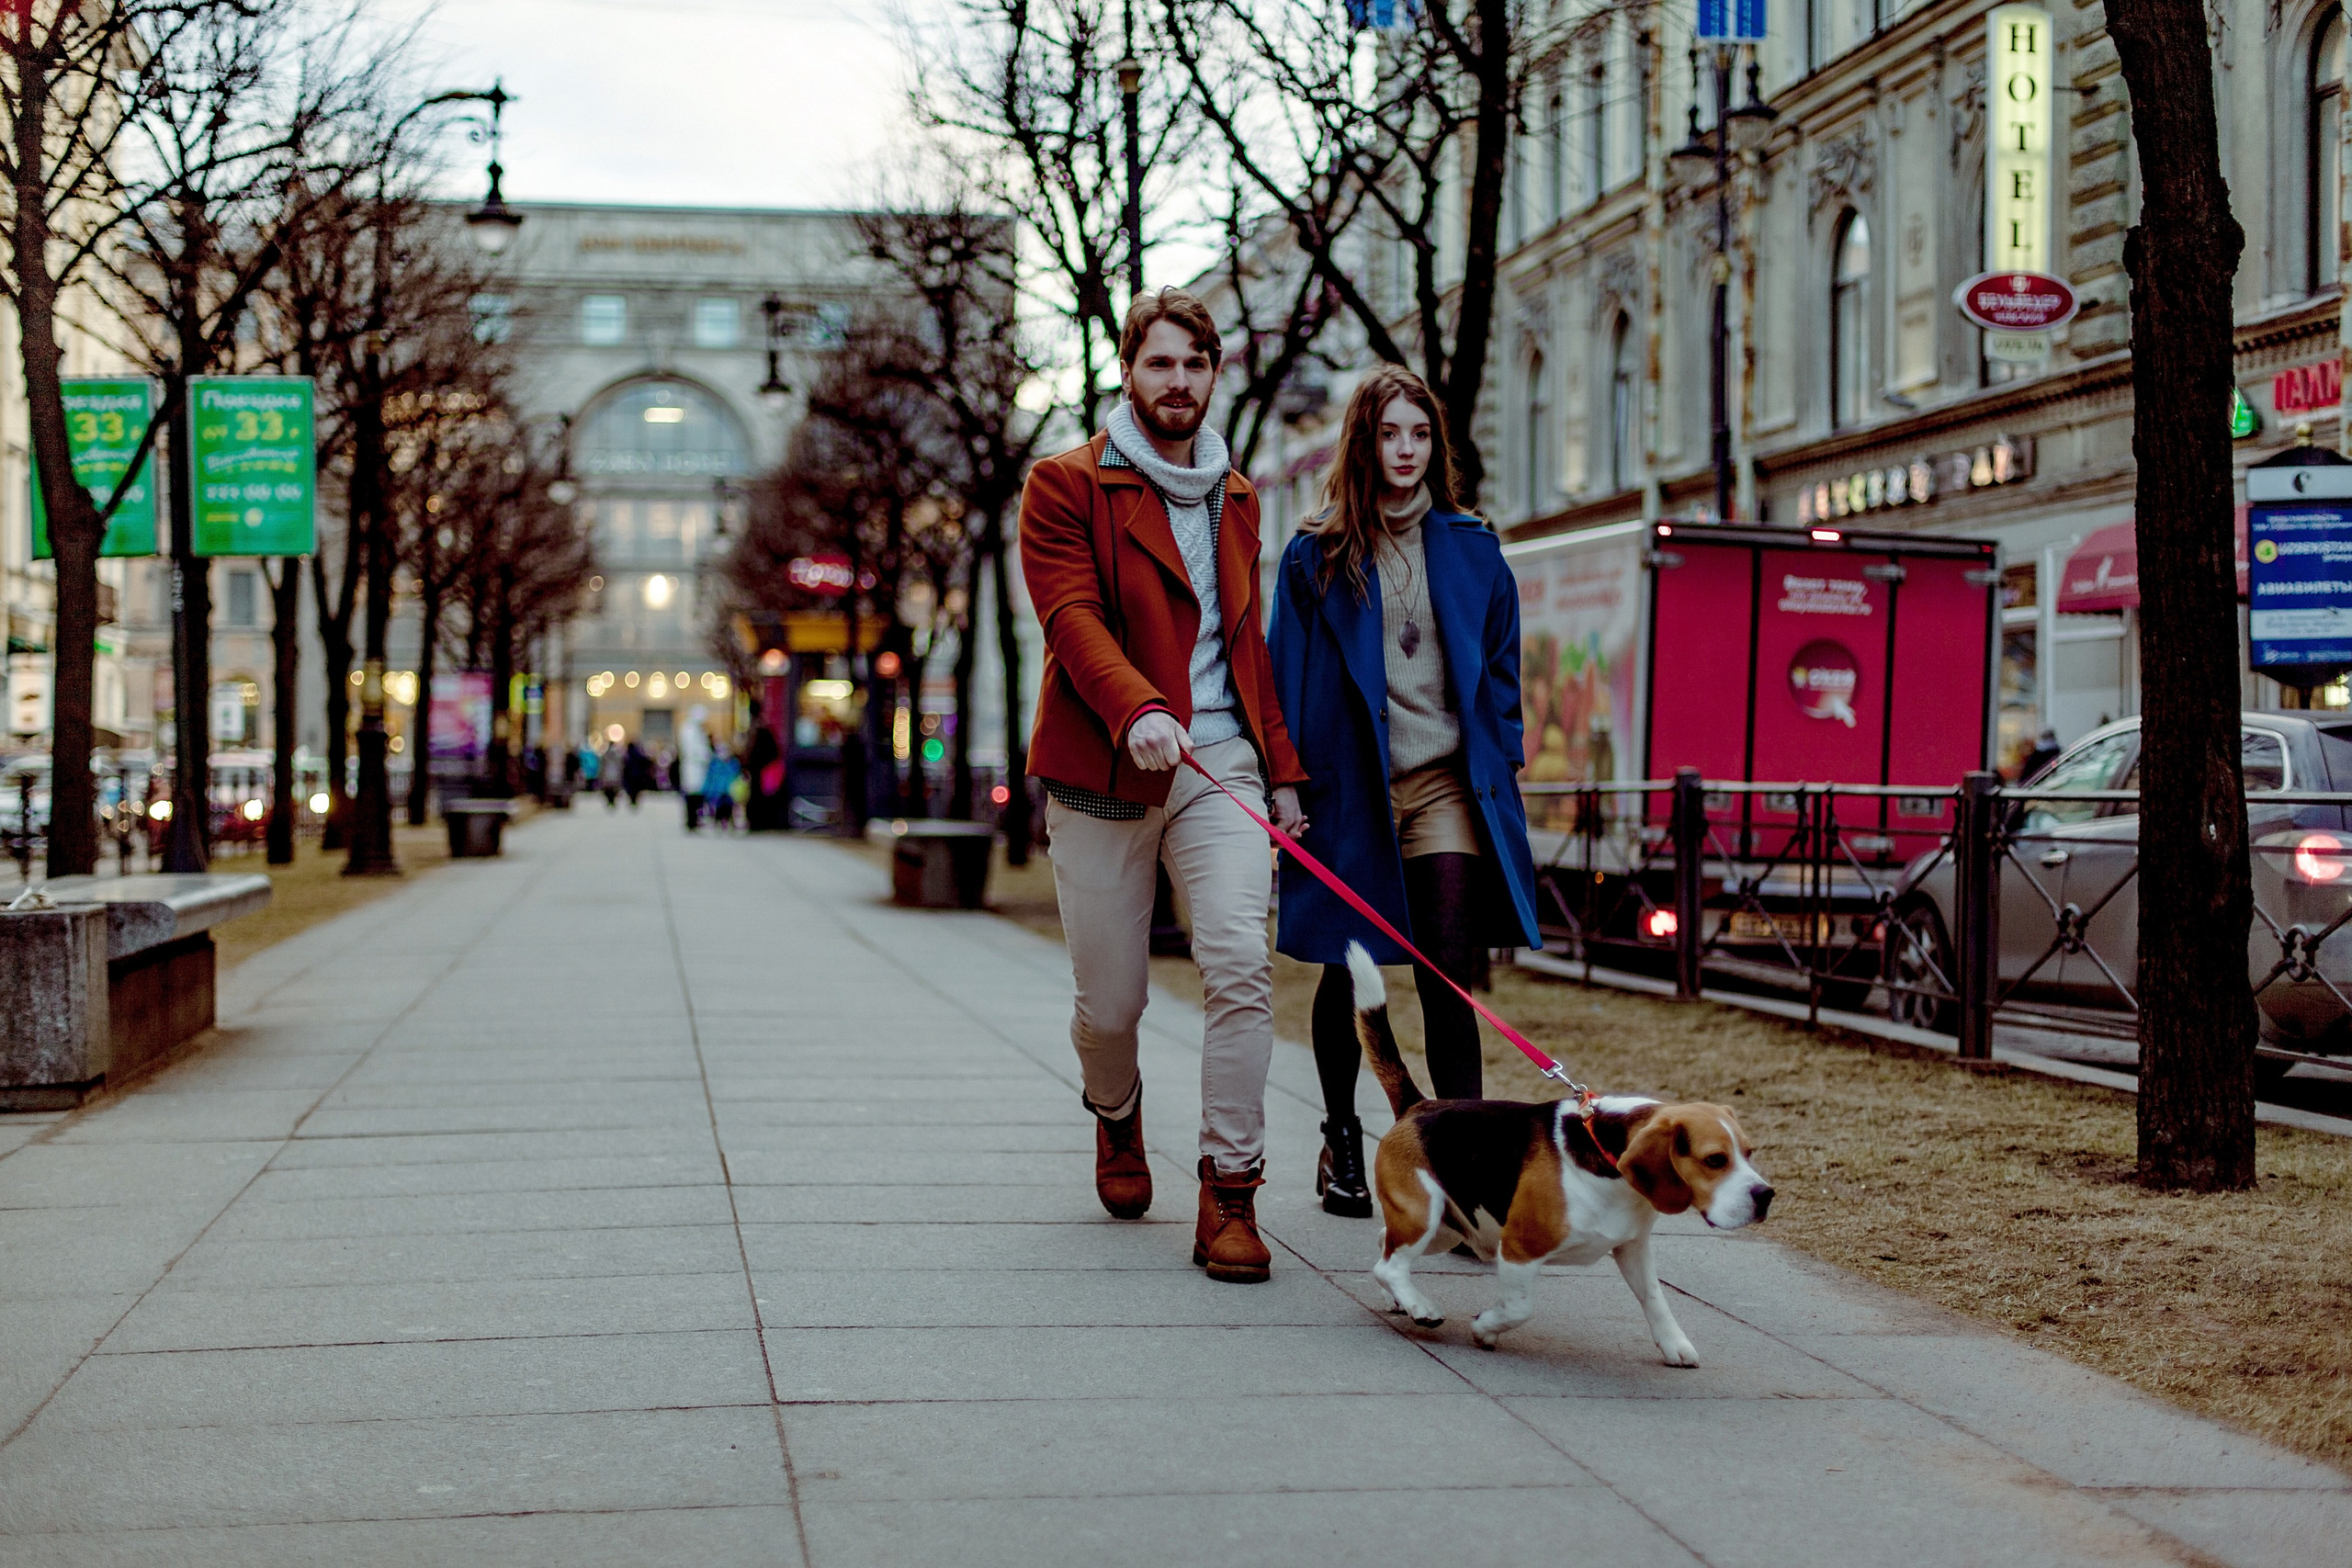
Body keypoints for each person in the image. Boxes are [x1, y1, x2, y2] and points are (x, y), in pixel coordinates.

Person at [1020, 287, 1308, 1284]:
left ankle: (1231, 1191)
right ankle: (1116, 1111)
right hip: (1107, 763)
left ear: (1214, 374)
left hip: (1218, 766)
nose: (1177, 382)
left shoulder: (1237, 496)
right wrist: (1138, 706)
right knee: (1113, 1006)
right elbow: (1069, 615)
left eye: (1194, 365)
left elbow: (1243, 645)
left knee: (1238, 965)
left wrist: (1281, 771)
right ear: (1128, 371)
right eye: (1159, 364)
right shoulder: (1064, 483)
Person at [1266, 364, 1543, 1218]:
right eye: (1390, 434)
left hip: (1444, 788)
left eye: (1420, 435)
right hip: (1351, 794)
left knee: (1448, 974)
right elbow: (1283, 678)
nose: (1407, 451)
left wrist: (1506, 753)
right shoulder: (1317, 556)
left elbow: (1501, 670)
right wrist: (1285, 783)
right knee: (1349, 972)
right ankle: (1343, 1142)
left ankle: (1463, 1169)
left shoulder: (1474, 548)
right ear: (1364, 441)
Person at [678, 708, 712, 831]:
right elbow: (692, 750)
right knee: (692, 795)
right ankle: (691, 820)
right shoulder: (690, 730)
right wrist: (705, 756)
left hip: (696, 768)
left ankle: (694, 819)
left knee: (696, 795)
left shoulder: (694, 730)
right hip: (693, 767)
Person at [704, 740, 741, 829]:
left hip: (729, 791)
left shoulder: (733, 764)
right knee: (718, 807)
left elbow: (737, 776)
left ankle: (729, 822)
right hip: (718, 792)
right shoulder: (715, 764)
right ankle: (718, 822)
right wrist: (707, 791)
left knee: (729, 807)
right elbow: (710, 779)